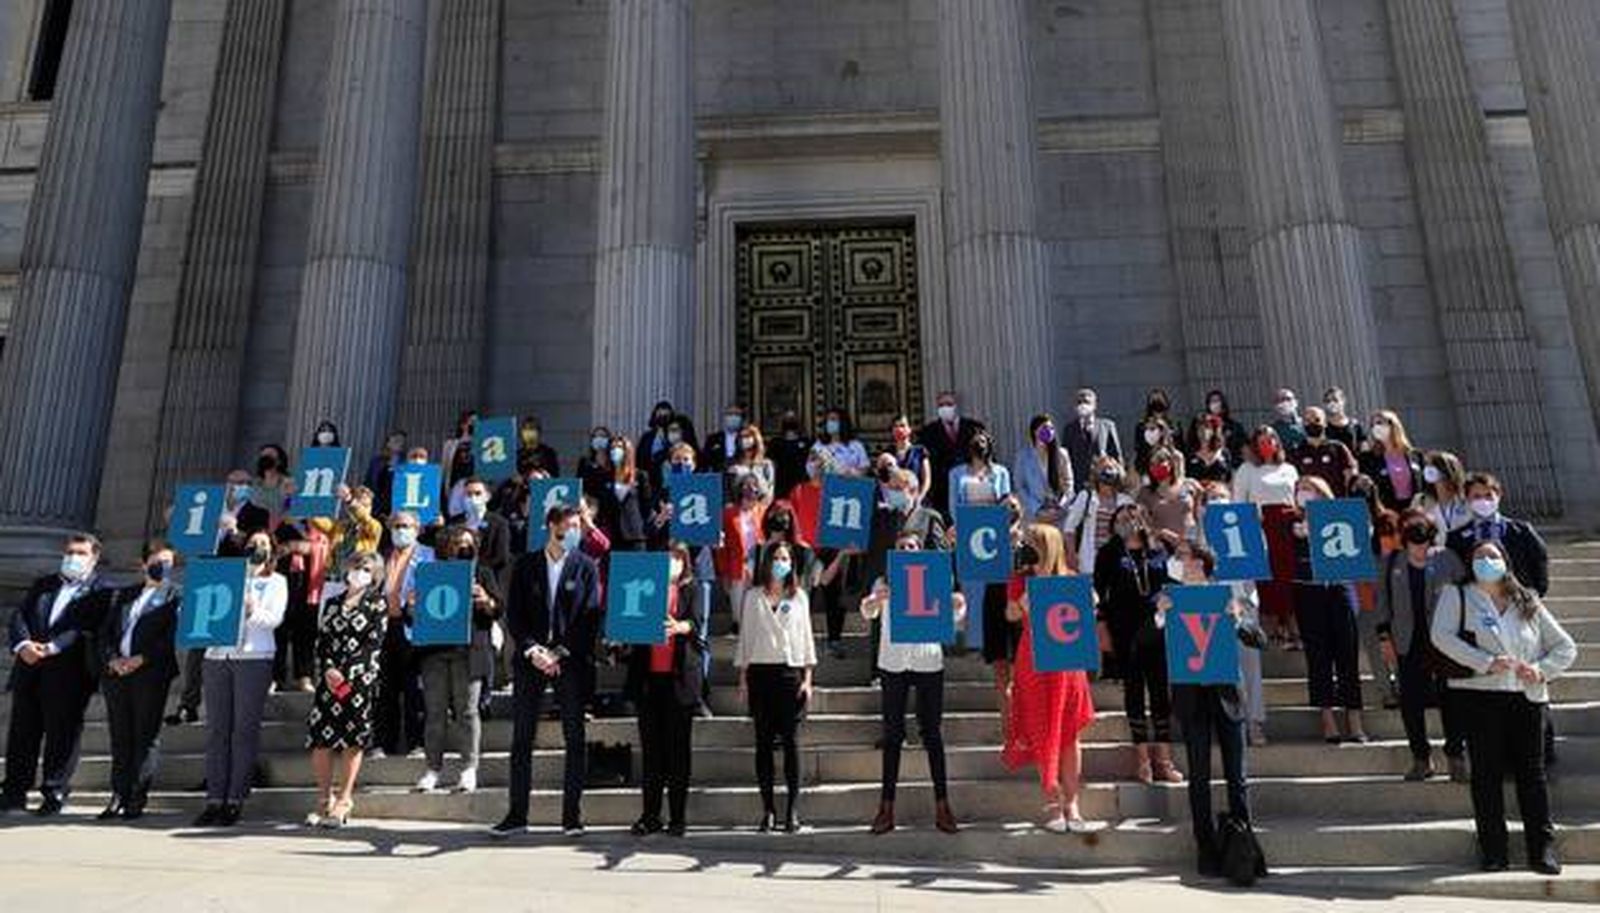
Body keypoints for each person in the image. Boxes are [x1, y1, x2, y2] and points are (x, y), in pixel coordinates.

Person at [1431, 540, 1574, 875]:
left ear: (1505, 561)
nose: (1486, 560)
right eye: (1479, 556)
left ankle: (1542, 850)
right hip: (1480, 696)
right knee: (1486, 776)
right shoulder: (1458, 594)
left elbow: (1565, 647)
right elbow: (1442, 636)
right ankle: (1494, 850)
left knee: (1532, 776)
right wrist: (1484, 662)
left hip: (1526, 697)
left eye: (1493, 555)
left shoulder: (1527, 599)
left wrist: (1540, 670)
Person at [493, 506, 602, 838]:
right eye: (567, 526)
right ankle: (517, 814)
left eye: (576, 527)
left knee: (575, 738)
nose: (571, 532)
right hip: (531, 662)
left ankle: (572, 816)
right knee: (522, 737)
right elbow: (515, 614)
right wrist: (531, 649)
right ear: (551, 526)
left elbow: (589, 617)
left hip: (570, 662)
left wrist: (559, 652)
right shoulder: (526, 565)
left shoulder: (585, 566)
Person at [1163, 540, 1266, 876]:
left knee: (1238, 776)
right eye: (1181, 559)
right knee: (1199, 777)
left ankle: (1244, 846)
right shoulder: (1171, 597)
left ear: (1201, 563)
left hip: (1226, 696)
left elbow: (1259, 638)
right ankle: (1205, 848)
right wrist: (1160, 615)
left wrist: (1237, 621)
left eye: (1186, 558)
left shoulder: (1226, 595)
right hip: (1192, 698)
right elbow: (1143, 641)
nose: (1182, 563)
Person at [860, 530, 965, 836]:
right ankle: (886, 807)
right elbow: (867, 612)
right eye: (902, 546)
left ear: (921, 551)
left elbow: (956, 615)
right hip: (893, 663)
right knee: (892, 735)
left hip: (928, 661)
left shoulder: (936, 578)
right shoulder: (885, 582)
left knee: (932, 733)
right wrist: (875, 599)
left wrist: (957, 604)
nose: (907, 550)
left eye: (913, 546)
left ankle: (943, 805)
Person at [2, 534, 109, 816]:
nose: (74, 557)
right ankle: (14, 792)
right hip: (29, 669)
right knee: (22, 734)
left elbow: (82, 627)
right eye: (70, 552)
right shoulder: (44, 585)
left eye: (81, 552)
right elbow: (20, 617)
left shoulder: (101, 591)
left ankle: (54, 791)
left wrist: (51, 648)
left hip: (69, 674)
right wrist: (23, 644)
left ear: (94, 557)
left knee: (62, 736)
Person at [1002, 524, 1097, 832]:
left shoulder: (1069, 578)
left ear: (1048, 546)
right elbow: (1010, 616)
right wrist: (1025, 600)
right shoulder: (1021, 579)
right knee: (1043, 729)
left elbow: (1091, 608)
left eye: (1033, 542)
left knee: (1070, 734)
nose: (1027, 546)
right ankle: (1053, 801)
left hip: (1067, 663)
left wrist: (1088, 601)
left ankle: (1073, 803)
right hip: (1034, 660)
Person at [194, 530, 287, 827]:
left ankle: (235, 797)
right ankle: (214, 798)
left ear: (271, 550)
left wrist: (251, 608)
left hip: (254, 658)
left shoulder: (276, 582)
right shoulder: (225, 577)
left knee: (243, 731)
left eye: (262, 544)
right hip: (218, 656)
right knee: (217, 731)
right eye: (252, 544)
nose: (256, 548)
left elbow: (274, 620)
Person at [1375, 509, 1468, 782]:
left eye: (1424, 541)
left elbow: (1464, 593)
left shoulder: (1447, 559)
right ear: (1405, 542)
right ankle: (1420, 758)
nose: (1420, 548)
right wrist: (1384, 637)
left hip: (1444, 641)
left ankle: (1455, 756)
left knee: (1450, 700)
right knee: (1411, 703)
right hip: (1407, 640)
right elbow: (1383, 602)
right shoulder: (1393, 562)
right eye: (1414, 542)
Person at [1094, 506, 1183, 783]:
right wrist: (1102, 628)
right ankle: (1142, 760)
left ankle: (1164, 760)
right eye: (1120, 519)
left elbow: (1179, 576)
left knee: (1160, 692)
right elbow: (1099, 593)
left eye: (1131, 518)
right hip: (1124, 630)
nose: (1126, 523)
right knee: (1134, 692)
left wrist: (1175, 540)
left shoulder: (1158, 549)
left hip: (1156, 629)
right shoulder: (1109, 553)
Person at [734, 542, 817, 833]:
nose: (781, 562)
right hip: (760, 673)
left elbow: (806, 638)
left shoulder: (800, 597)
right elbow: (745, 638)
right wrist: (743, 676)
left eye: (786, 558)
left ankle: (792, 810)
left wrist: (808, 679)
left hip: (789, 673)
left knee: (792, 743)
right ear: (767, 562)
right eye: (776, 557)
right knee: (763, 743)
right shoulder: (753, 596)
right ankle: (768, 809)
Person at [624, 542, 705, 836]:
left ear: (685, 563)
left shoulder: (692, 588)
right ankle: (650, 814)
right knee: (652, 752)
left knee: (678, 752)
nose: (672, 563)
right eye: (668, 558)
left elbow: (696, 624)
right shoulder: (647, 586)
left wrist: (680, 626)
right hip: (649, 679)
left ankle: (678, 817)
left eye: (677, 559)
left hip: (679, 680)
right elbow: (630, 617)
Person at [96, 541, 181, 821]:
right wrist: (112, 659)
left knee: (145, 736)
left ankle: (136, 796)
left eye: (169, 562)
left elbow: (170, 638)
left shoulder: (175, 596)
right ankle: (117, 795)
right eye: (158, 561)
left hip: (150, 673)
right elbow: (107, 631)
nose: (163, 567)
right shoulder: (125, 594)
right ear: (144, 564)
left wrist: (140, 660)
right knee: (120, 736)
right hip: (117, 673)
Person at [414, 525, 502, 794]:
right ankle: (432, 769)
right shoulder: (429, 573)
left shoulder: (482, 573)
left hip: (470, 650)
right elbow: (415, 616)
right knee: (435, 712)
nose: (461, 549)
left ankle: (468, 769)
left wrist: (485, 600)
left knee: (467, 711)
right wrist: (412, 605)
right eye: (455, 544)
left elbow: (499, 609)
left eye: (467, 544)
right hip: (435, 651)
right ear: (444, 547)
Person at [304, 552, 388, 828]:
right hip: (330, 681)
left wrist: (347, 675)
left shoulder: (377, 604)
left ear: (374, 573)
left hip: (359, 681)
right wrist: (329, 669)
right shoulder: (331, 604)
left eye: (365, 568)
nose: (359, 572)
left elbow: (373, 644)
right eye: (356, 566)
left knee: (352, 738)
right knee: (321, 739)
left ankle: (345, 799)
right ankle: (324, 799)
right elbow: (322, 642)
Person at [1291, 477, 1367, 743]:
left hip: (1340, 588)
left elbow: (1357, 546)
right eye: (1299, 490)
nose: (1303, 494)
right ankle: (1328, 719)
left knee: (1347, 653)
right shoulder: (1291, 521)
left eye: (1308, 489)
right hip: (1308, 591)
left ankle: (1354, 719)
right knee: (1318, 655)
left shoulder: (1341, 515)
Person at [1194, 482, 1269, 747]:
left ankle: (1255, 722)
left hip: (1244, 602)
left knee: (1250, 666)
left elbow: (1260, 558)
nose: (1217, 501)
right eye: (1211, 498)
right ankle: (1226, 723)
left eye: (1222, 497)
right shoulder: (1200, 529)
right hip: (1214, 603)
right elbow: (1195, 564)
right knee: (1221, 667)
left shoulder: (1247, 525)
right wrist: (1202, 524)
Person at [1233, 426, 1301, 648]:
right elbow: (1238, 503)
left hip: (1288, 530)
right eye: (1261, 440)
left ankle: (1294, 629)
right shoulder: (1247, 469)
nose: (1266, 443)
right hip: (1261, 529)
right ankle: (1272, 632)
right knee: (1267, 580)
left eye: (1271, 438)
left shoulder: (1289, 469)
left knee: (1289, 578)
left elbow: (1297, 497)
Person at [1446, 472, 1549, 597]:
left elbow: (1539, 559)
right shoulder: (1455, 538)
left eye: (1488, 496)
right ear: (1467, 499)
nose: (1484, 501)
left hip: (1516, 598)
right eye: (1477, 496)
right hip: (1475, 601)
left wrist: (1536, 592)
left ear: (1499, 495)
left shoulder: (1522, 531)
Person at [716, 474, 769, 639]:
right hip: (736, 564)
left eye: (754, 485)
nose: (750, 489)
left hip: (759, 563)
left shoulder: (764, 511)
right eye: (746, 485)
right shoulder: (729, 512)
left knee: (758, 600)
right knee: (737, 601)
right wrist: (724, 573)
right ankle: (737, 627)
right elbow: (722, 547)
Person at [917, 391, 986, 516]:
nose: (945, 408)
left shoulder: (974, 428)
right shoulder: (928, 432)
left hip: (971, 487)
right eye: (941, 405)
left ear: (956, 406)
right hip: (941, 494)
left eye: (949, 404)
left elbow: (986, 455)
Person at [1063, 455, 1135, 575]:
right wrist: (1071, 555)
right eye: (1103, 468)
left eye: (1111, 468)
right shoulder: (1086, 497)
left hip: (1118, 565)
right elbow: (1069, 528)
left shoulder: (1126, 501)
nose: (1107, 472)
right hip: (1089, 565)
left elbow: (1132, 534)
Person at [445, 476, 512, 589]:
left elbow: (501, 557)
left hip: (487, 582)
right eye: (468, 494)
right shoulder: (454, 523)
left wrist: (476, 569)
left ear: (487, 496)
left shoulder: (499, 523)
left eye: (477, 493)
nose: (472, 498)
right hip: (456, 579)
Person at [1014, 413, 1074, 530]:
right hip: (1035, 517)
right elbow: (1020, 486)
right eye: (1044, 428)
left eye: (1051, 428)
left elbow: (1069, 484)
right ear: (1034, 431)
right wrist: (1036, 509)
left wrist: (1060, 508)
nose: (1049, 431)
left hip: (1059, 516)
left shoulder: (1061, 455)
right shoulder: (1023, 456)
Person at [1358, 409, 1425, 512]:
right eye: (1373, 425)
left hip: (1415, 513)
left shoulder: (1416, 455)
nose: (1375, 428)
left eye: (1380, 423)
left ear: (1393, 426)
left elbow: (1425, 485)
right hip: (1386, 514)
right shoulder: (1367, 458)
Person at [596, 436, 653, 553]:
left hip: (635, 535)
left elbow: (646, 506)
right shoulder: (603, 477)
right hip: (612, 535)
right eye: (612, 447)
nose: (615, 450)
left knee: (635, 570)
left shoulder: (641, 476)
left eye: (619, 447)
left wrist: (643, 528)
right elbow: (601, 506)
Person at [1062, 387, 1122, 493]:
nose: (1083, 405)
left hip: (1103, 484)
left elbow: (1116, 456)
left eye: (1086, 402)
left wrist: (1118, 479)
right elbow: (1065, 457)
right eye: (1079, 402)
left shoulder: (1107, 426)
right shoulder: (1069, 429)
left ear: (1094, 405)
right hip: (1078, 484)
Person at [1291, 406, 1357, 497]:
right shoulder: (1297, 451)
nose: (1312, 423)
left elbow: (1350, 477)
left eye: (1317, 420)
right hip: (1311, 506)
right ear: (1303, 424)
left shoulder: (1338, 447)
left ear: (1325, 423)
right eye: (1308, 421)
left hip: (1338, 503)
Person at [1136, 446, 1197, 541]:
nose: (1156, 467)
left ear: (1170, 463)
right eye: (1152, 464)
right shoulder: (1145, 492)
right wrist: (1160, 532)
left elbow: (1200, 511)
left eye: (1160, 462)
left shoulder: (1189, 485)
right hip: (1163, 545)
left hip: (1190, 543)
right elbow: (1143, 522)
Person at [1416, 450, 1470, 544]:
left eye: (1432, 466)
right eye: (1427, 465)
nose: (1427, 469)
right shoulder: (1420, 500)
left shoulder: (1467, 500)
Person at [1187, 389, 1247, 462]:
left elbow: (1242, 445)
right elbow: (1191, 444)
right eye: (1212, 401)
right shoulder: (1200, 424)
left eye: (1217, 401)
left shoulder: (1234, 426)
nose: (1215, 404)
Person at [1132, 388, 1180, 475]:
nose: (1157, 412)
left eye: (1160, 407)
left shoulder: (1173, 424)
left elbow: (1179, 446)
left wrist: (1166, 431)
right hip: (1148, 466)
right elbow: (1139, 448)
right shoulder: (1142, 426)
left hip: (1170, 466)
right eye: (1154, 407)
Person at [363, 429, 408, 520]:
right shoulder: (377, 461)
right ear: (388, 443)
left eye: (402, 441)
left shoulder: (407, 463)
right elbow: (368, 483)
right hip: (377, 506)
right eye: (396, 441)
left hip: (396, 509)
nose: (400, 444)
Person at [726, 424, 776, 505]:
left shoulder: (766, 465)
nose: (744, 440)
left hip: (760, 510)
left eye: (747, 436)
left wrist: (751, 471)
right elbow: (728, 492)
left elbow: (768, 492)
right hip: (738, 509)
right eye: (741, 437)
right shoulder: (731, 463)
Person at [885, 413, 932, 498]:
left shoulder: (920, 451)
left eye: (902, 425)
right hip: (895, 500)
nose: (899, 429)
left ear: (909, 429)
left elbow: (927, 479)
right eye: (895, 426)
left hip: (917, 499)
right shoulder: (888, 452)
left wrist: (919, 498)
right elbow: (883, 479)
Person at [813, 407, 870, 476]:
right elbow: (811, 470)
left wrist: (852, 472)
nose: (830, 423)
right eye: (827, 420)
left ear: (842, 422)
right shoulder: (819, 446)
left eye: (833, 420)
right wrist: (818, 467)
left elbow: (865, 468)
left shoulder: (856, 446)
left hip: (852, 484)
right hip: (828, 484)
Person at [636, 400, 680, 487]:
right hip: (649, 480)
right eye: (659, 411)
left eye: (665, 412)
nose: (662, 415)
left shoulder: (675, 435)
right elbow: (639, 458)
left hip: (669, 477)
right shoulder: (647, 437)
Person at [770, 410, 812, 499]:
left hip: (801, 484)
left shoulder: (806, 442)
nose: (790, 421)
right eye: (787, 418)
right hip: (782, 484)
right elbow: (771, 464)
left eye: (792, 418)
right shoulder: (775, 442)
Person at [1185, 418, 1233, 486]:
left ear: (1214, 430)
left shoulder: (1224, 453)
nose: (1203, 431)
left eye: (1207, 428)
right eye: (1199, 428)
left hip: (1219, 492)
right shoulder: (1189, 453)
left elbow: (1229, 478)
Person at [703, 403, 749, 473]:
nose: (733, 417)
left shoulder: (747, 437)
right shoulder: (713, 439)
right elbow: (706, 460)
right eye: (730, 414)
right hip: (718, 476)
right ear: (725, 417)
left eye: (736, 414)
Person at [1321, 387, 1367, 454]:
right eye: (1328, 401)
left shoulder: (1354, 425)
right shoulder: (1323, 428)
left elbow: (1364, 449)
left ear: (1343, 401)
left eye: (1335, 400)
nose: (1332, 404)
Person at [576, 425, 615, 500]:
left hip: (608, 501)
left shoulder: (613, 462)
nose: (599, 439)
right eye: (596, 437)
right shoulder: (585, 462)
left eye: (603, 436)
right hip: (590, 502)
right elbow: (579, 484)